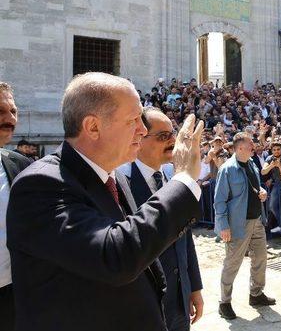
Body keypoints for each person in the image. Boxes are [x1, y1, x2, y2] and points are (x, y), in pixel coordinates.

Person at [6, 72, 204, 331]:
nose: (142, 130)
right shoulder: (41, 185)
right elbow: (115, 255)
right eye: (133, 120)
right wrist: (185, 180)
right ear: (93, 127)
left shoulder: (112, 176)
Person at [119, 107, 204, 330]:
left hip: (179, 298)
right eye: (163, 136)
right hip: (147, 304)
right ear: (139, 138)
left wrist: (193, 286)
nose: (173, 141)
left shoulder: (171, 176)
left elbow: (185, 238)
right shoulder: (121, 184)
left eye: (172, 134)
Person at [214, 132, 275, 320]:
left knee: (260, 258)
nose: (254, 148)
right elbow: (219, 201)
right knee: (232, 263)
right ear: (240, 147)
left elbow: (255, 188)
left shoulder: (251, 164)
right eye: (250, 145)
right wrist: (223, 226)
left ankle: (256, 294)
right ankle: (224, 302)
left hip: (256, 220)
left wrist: (262, 192)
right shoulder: (227, 169)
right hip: (237, 224)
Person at [0, 82, 32, 330]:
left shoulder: (20, 166)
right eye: (1, 111)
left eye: (13, 111)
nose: (10, 118)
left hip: (12, 293)